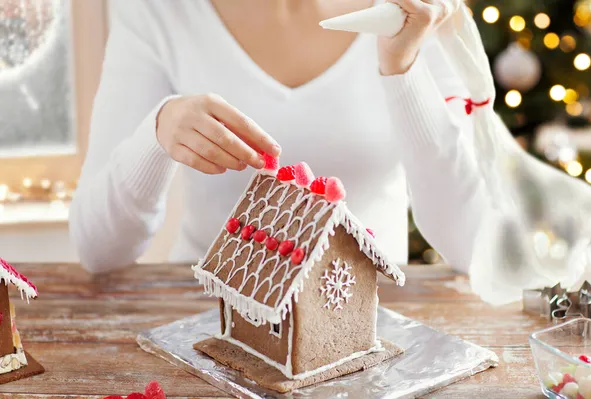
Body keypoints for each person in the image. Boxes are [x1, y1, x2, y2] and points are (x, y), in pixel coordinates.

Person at [69, 0, 489, 274]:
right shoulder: (158, 11)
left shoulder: (422, 11)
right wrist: (159, 130)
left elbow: (472, 242)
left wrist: (403, 70)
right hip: (205, 323)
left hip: (373, 324)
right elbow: (97, 250)